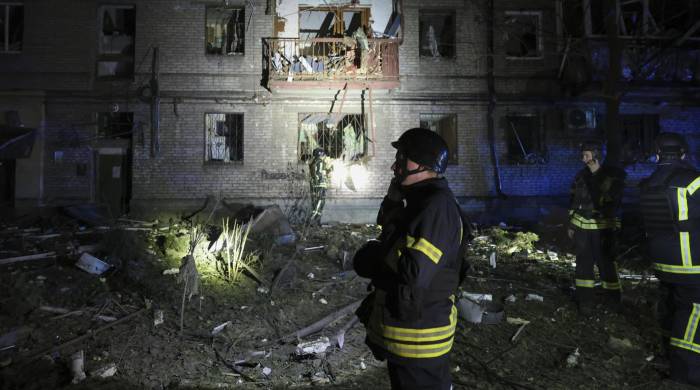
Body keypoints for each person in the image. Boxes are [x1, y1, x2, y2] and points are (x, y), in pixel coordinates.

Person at [353, 128, 465, 390]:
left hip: (420, 340)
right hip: (409, 336)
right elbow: (391, 230)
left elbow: (414, 272)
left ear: (424, 164)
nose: (395, 165)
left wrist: (374, 257)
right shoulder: (419, 200)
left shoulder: (436, 206)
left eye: (403, 158)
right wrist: (393, 200)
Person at [639, 132, 700, 386]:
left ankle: (674, 354)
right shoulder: (694, 181)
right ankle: (686, 373)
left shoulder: (648, 183)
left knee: (677, 308)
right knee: (694, 310)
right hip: (691, 262)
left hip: (662, 262)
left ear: (657, 155)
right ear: (683, 154)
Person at [567, 140, 626, 315]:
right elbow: (573, 200)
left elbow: (611, 201)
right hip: (582, 228)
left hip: (603, 228)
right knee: (583, 264)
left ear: (597, 155)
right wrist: (571, 224)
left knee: (606, 263)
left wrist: (596, 176)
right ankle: (585, 301)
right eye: (582, 155)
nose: (583, 159)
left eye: (587, 155)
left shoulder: (613, 176)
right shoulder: (580, 176)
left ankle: (613, 300)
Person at [308, 148, 332, 225]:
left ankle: (317, 220)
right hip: (320, 184)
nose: (325, 156)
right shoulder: (320, 162)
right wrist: (330, 169)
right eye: (323, 155)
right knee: (320, 201)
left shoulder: (313, 162)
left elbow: (316, 173)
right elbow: (321, 173)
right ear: (321, 155)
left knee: (316, 201)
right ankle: (313, 218)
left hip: (315, 185)